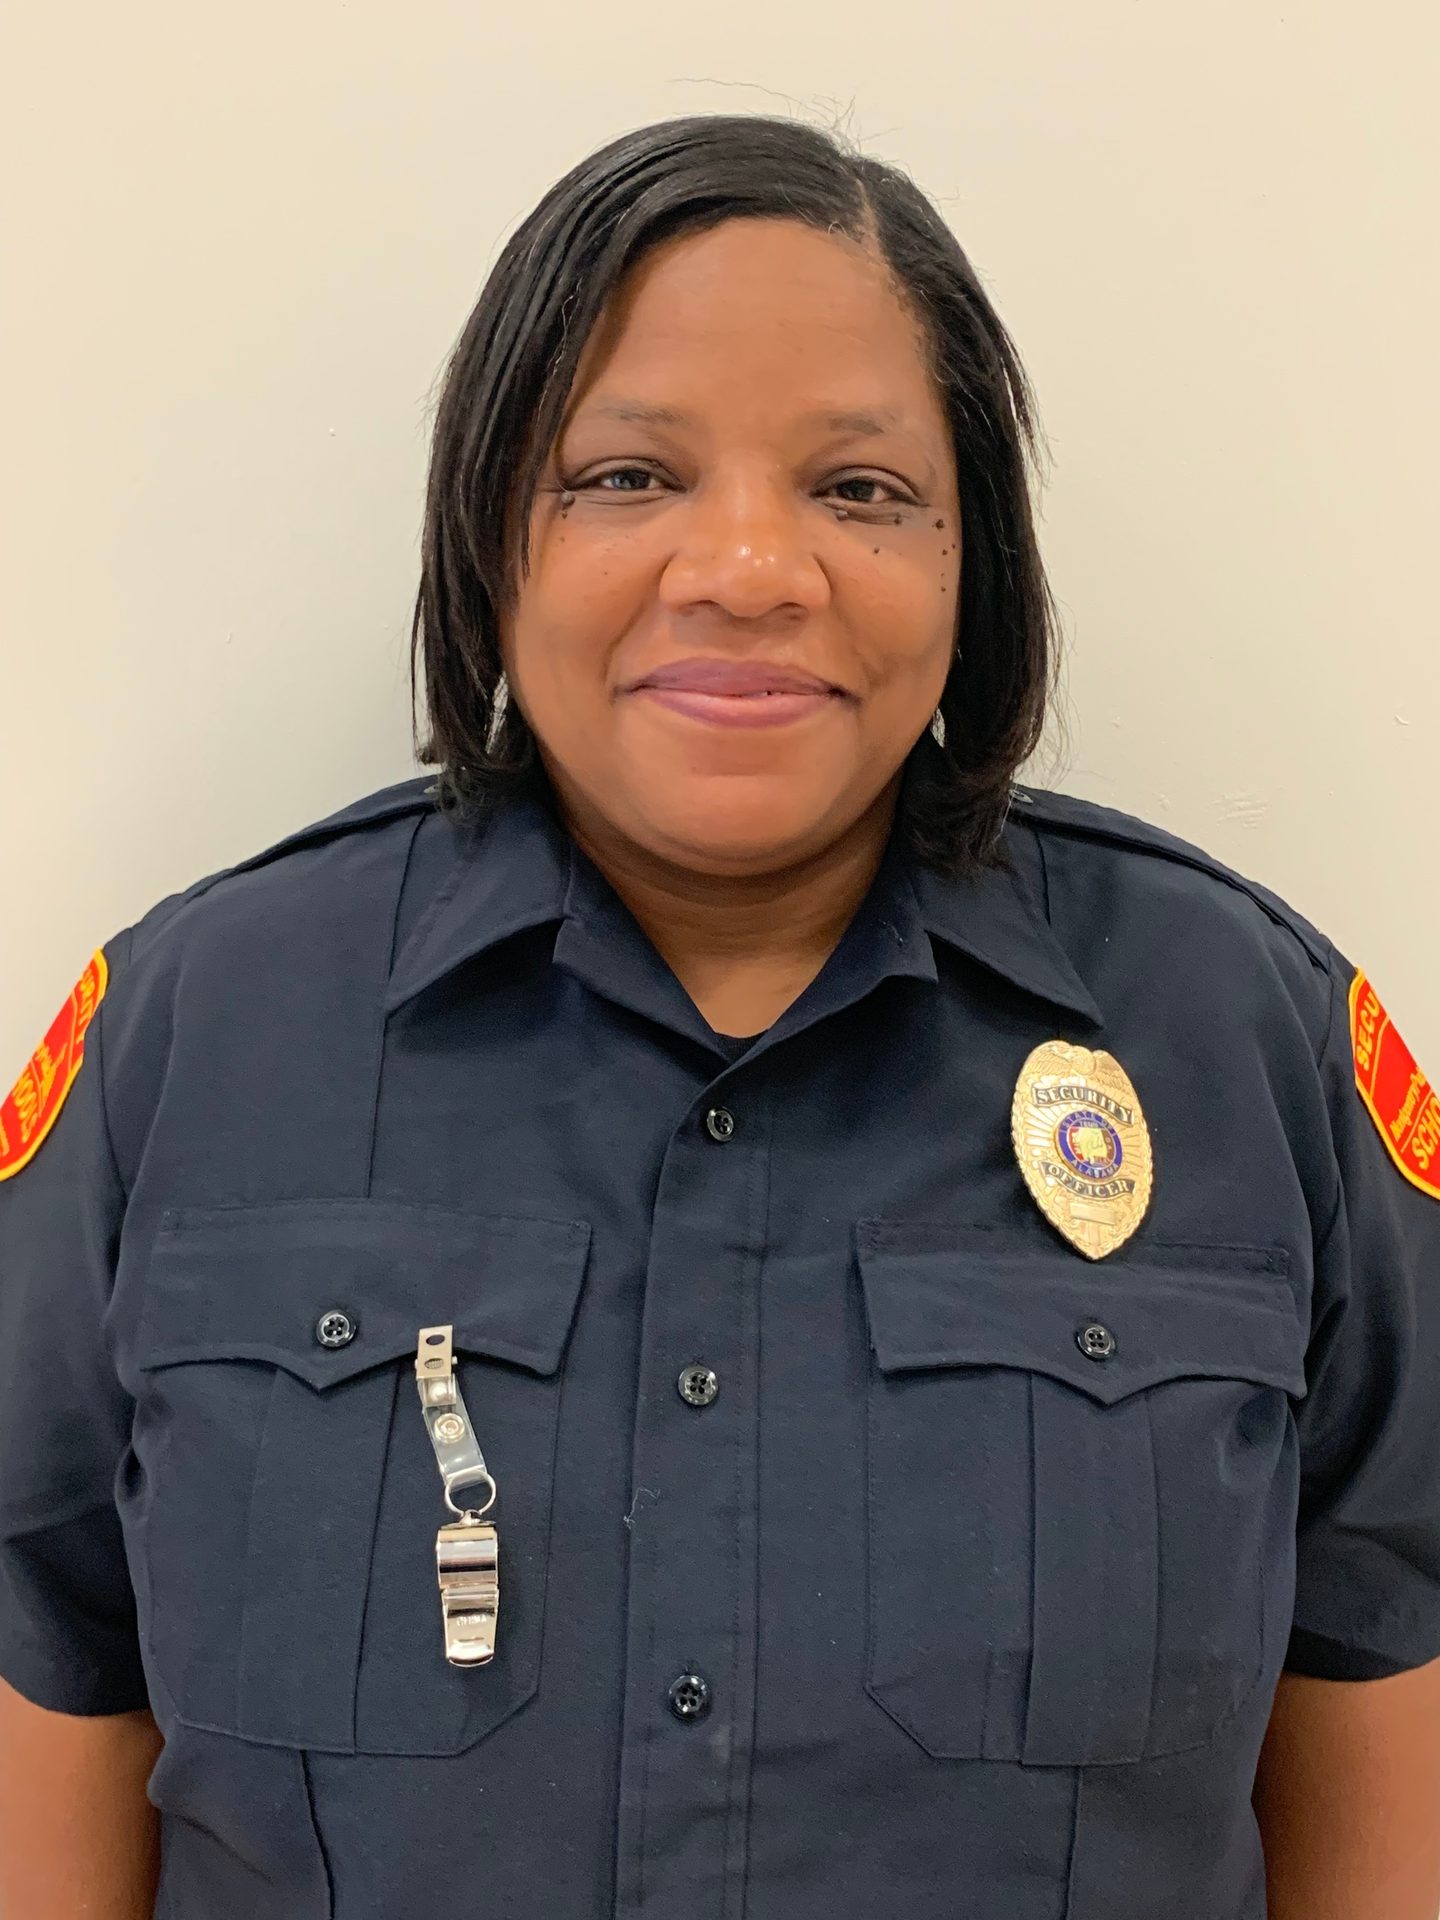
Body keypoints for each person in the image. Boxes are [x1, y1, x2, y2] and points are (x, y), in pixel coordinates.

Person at [1, 111, 1438, 1920]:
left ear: (968, 551)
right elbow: (45, 1658)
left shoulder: (1252, 1042)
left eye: (859, 490)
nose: (751, 568)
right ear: (485, 529)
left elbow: (1385, 1672)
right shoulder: (193, 1033)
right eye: (625, 476)